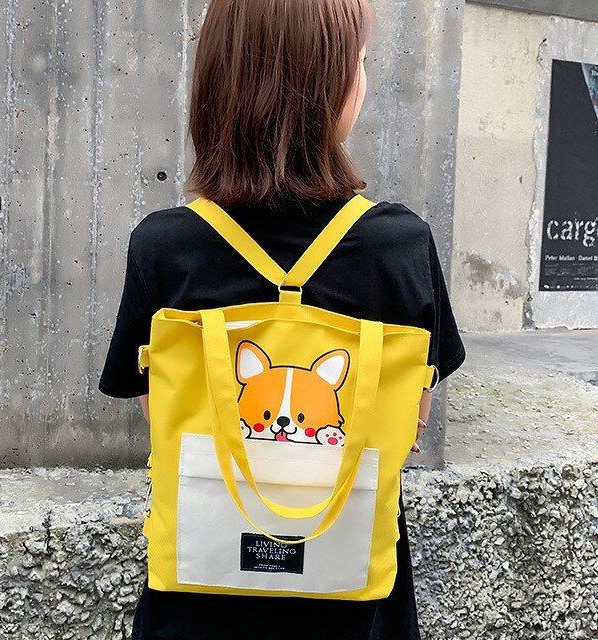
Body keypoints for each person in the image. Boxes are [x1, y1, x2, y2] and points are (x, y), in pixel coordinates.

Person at [99, 0, 466, 638]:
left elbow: (164, 417)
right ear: (332, 86)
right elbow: (410, 420)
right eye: (359, 62)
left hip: (201, 592)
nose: (365, 80)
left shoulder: (165, 247)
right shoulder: (399, 247)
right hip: (351, 595)